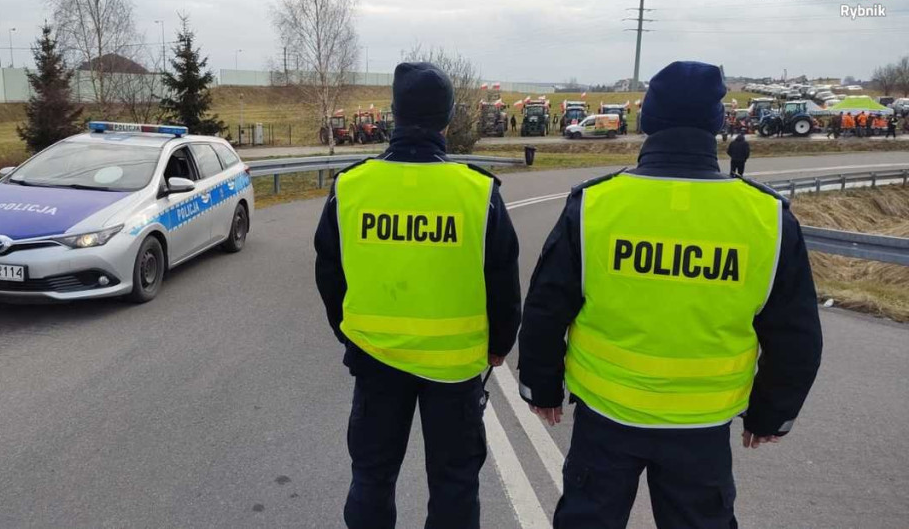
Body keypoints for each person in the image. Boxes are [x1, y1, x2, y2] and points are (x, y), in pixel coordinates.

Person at [517, 61, 823, 529]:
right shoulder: (766, 219)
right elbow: (796, 332)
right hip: (702, 426)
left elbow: (546, 305)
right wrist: (769, 415)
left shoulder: (596, 205)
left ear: (649, 120)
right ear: (718, 123)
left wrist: (541, 385)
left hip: (606, 416)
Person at [314, 62, 522, 529]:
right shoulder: (477, 191)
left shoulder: (351, 187)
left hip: (375, 358)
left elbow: (330, 271)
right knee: (454, 483)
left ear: (394, 114)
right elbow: (503, 280)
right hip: (456, 368)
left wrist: (351, 334)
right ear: (448, 119)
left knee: (371, 476)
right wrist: (498, 346)